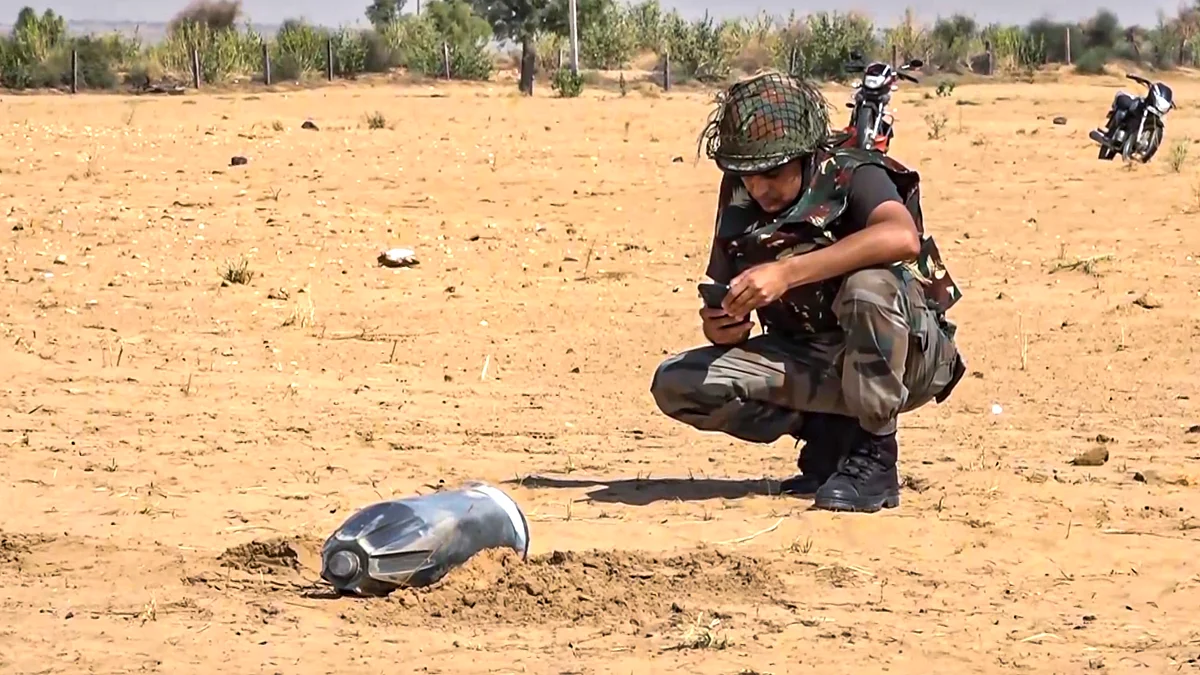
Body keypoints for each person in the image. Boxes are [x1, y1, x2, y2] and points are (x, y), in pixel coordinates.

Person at [650, 71, 967, 513]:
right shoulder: (741, 192)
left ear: (805, 156)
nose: (758, 187)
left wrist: (787, 273)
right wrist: (723, 326)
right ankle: (828, 437)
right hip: (811, 356)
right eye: (747, 174)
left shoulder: (854, 170)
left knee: (867, 287)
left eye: (772, 173)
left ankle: (875, 456)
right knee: (678, 383)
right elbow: (721, 297)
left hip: (907, 358)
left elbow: (901, 237)